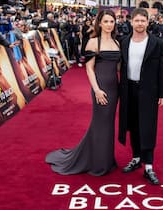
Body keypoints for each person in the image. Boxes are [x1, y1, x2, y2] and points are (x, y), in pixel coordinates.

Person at [45, 9, 120, 176]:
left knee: (108, 125)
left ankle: (106, 159)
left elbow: (118, 67)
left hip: (115, 89)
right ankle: (97, 162)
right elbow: (89, 69)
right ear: (99, 23)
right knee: (100, 123)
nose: (109, 25)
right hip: (100, 88)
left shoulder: (117, 43)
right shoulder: (93, 42)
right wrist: (97, 90)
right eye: (106, 21)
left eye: (111, 21)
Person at [118, 8, 163, 185]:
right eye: (136, 20)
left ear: (148, 22)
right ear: (131, 22)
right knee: (132, 125)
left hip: (149, 91)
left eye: (143, 21)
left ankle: (149, 167)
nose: (139, 23)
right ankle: (136, 158)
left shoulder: (158, 43)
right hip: (128, 89)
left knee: (147, 127)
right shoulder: (123, 42)